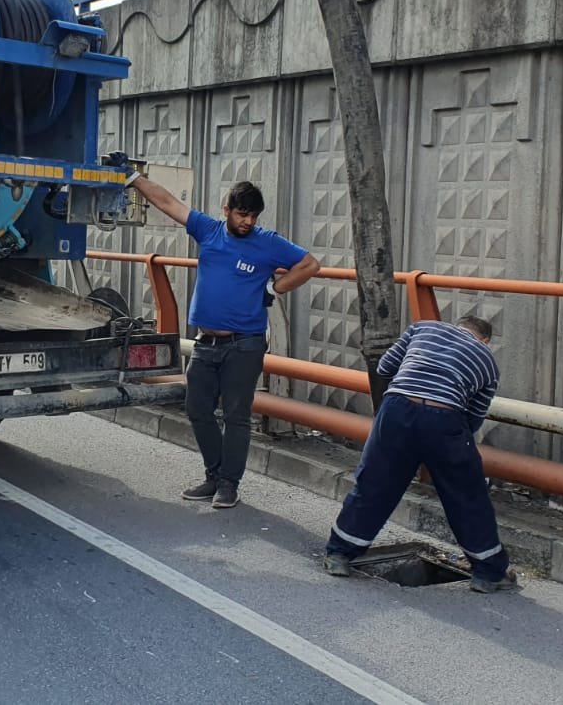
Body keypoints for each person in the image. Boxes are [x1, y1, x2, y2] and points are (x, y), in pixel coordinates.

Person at [123, 165, 321, 508]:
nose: (248, 222)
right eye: (242, 214)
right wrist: (133, 179)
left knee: (236, 414)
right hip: (206, 343)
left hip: (244, 343)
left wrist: (277, 286)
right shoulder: (209, 231)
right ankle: (213, 475)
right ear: (226, 210)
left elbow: (310, 264)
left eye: (253, 216)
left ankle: (229, 483)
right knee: (197, 407)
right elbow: (168, 202)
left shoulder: (268, 242)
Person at [322, 316, 520, 593]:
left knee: (374, 484)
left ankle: (339, 555)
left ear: (457, 325)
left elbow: (385, 366)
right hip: (445, 416)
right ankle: (488, 573)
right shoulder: (487, 359)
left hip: (397, 407)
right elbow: (474, 418)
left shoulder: (423, 328)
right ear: (485, 339)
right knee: (466, 496)